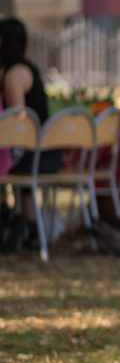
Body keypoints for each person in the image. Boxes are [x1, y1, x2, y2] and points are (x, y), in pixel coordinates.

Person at [0, 18, 62, 241]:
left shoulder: (14, 75)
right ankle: (28, 224)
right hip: (43, 152)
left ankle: (16, 222)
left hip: (37, 154)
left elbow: (18, 123)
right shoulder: (27, 69)